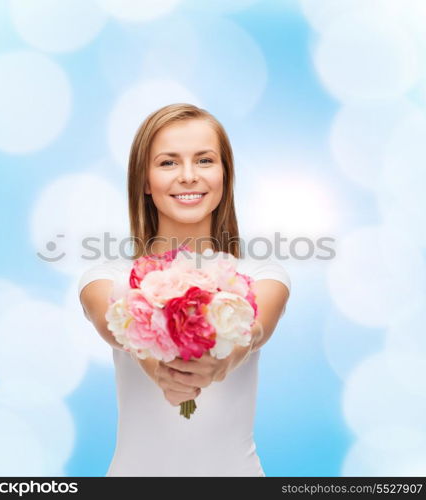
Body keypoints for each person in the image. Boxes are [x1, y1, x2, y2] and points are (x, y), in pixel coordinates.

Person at [78, 103, 291, 476]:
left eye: (205, 160)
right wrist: (157, 367)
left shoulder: (260, 274)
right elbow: (113, 324)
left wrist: (224, 361)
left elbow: (257, 328)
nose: (189, 176)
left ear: (225, 175)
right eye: (168, 163)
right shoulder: (107, 277)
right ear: (145, 181)